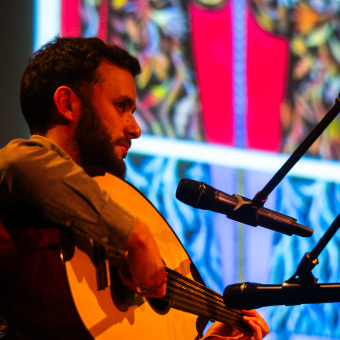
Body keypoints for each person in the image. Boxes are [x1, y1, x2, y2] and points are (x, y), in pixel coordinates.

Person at [0, 36, 269, 340]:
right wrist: (136, 236)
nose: (135, 128)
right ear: (67, 104)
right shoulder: (20, 184)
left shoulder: (94, 215)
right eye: (120, 106)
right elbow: (16, 162)